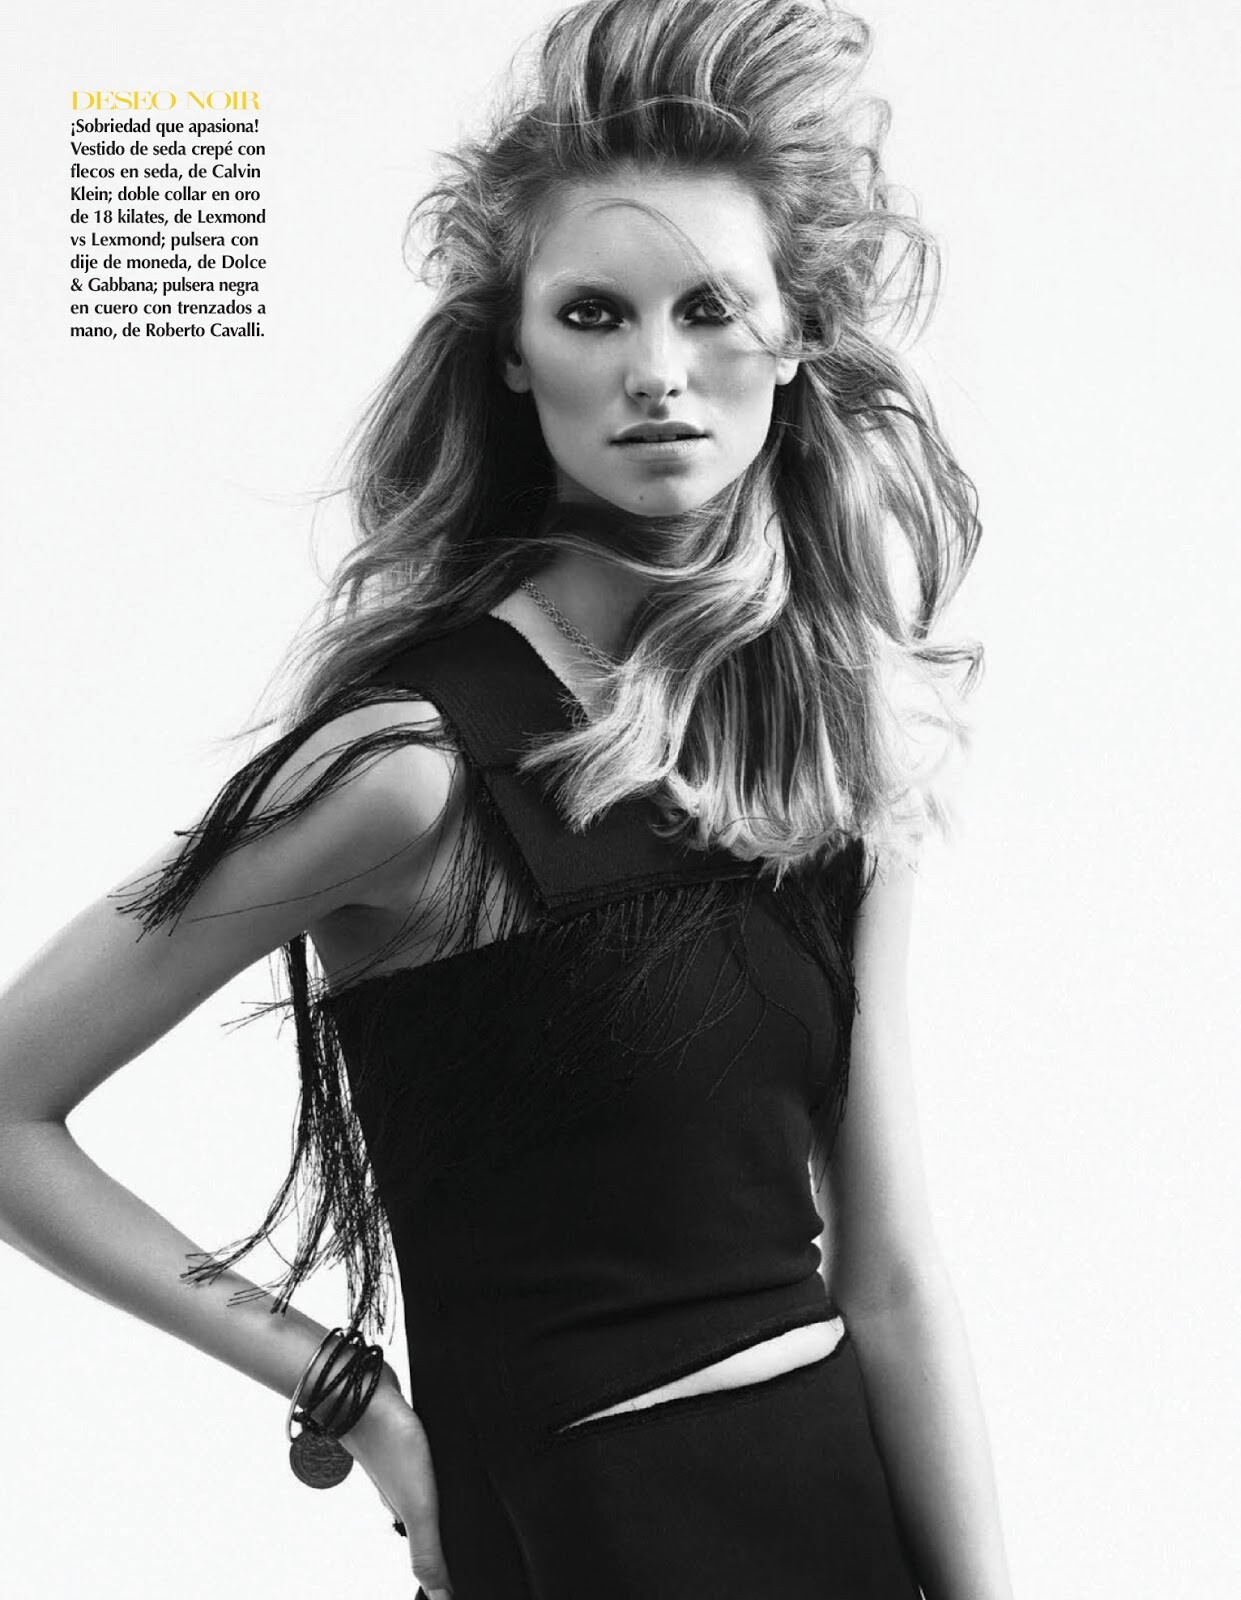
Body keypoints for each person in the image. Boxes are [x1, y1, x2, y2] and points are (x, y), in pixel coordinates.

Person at [0, 0, 1013, 1595]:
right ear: (516, 360)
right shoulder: (412, 769)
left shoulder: (823, 765)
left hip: (844, 1521)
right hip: (583, 1541)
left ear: (792, 338)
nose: (657, 372)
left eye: (709, 308)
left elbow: (887, 1277)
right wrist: (357, 1401)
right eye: (594, 315)